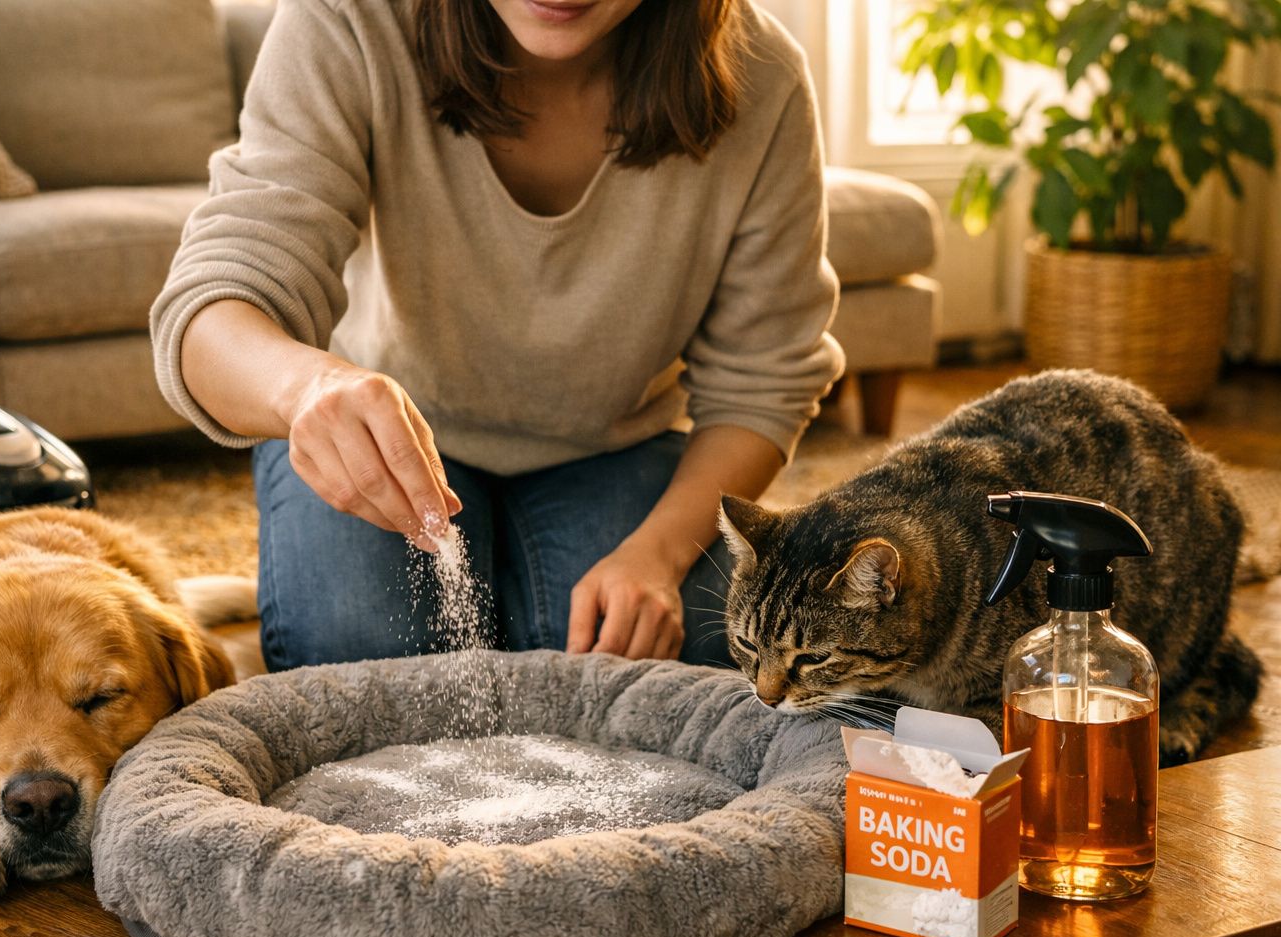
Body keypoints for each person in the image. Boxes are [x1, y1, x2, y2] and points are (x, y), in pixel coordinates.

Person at [151, 0, 842, 672]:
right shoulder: (346, 18)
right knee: (359, 651)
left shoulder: (764, 77)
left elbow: (763, 381)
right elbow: (214, 308)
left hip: (609, 443)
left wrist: (659, 556)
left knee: (678, 657)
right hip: (378, 435)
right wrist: (307, 390)